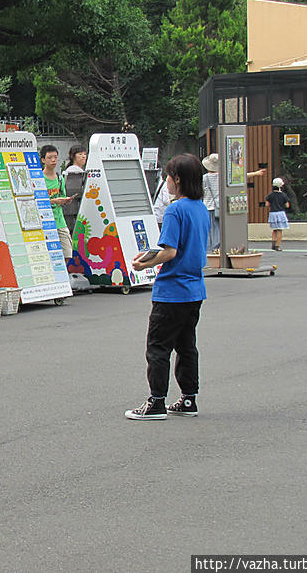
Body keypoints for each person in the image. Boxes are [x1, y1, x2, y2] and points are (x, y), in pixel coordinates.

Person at [125, 153, 210, 421]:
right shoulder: (201, 209)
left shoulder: (175, 209)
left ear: (177, 179)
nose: (166, 183)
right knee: (187, 345)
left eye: (168, 178)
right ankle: (188, 398)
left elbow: (170, 251)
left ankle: (157, 401)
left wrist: (143, 263)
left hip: (171, 290)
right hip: (194, 288)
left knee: (158, 346)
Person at [40, 145, 74, 261]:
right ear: (43, 160)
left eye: (55, 157)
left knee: (67, 253)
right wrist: (53, 201)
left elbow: (62, 196)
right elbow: (35, 201)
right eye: (50, 157)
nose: (53, 160)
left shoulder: (60, 178)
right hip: (44, 222)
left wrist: (65, 200)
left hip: (60, 221)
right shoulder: (38, 179)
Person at [201, 154, 220, 250]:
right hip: (219, 206)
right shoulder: (222, 177)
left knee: (210, 227)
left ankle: (213, 246)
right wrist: (256, 173)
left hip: (208, 205)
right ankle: (218, 244)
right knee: (219, 227)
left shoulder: (205, 178)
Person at [266, 177, 290, 251]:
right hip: (280, 213)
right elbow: (287, 205)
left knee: (274, 230)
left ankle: (273, 244)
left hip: (272, 213)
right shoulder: (283, 195)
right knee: (280, 230)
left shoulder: (270, 195)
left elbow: (267, 204)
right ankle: (278, 245)